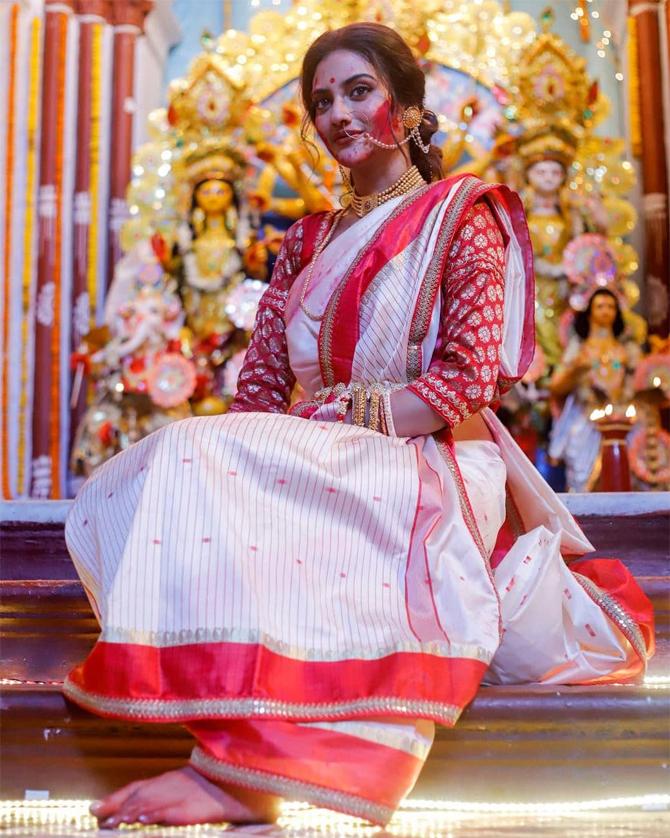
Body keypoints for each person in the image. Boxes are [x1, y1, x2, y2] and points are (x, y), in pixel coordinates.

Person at [63, 23, 653, 829]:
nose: (337, 113)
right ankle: (238, 743)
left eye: (358, 91)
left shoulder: (460, 215)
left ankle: (243, 773)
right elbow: (263, 389)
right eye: (320, 101)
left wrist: (354, 416)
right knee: (173, 458)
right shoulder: (306, 240)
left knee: (210, 458)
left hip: (430, 454)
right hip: (323, 451)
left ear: (407, 109)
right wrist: (260, 463)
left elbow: (472, 376)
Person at [548, 288, 640, 491]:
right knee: (583, 480)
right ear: (589, 312)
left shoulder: (626, 351)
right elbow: (555, 386)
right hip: (586, 420)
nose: (606, 310)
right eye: (600, 306)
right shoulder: (579, 349)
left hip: (620, 420)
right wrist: (577, 370)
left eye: (611, 306)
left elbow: (636, 387)